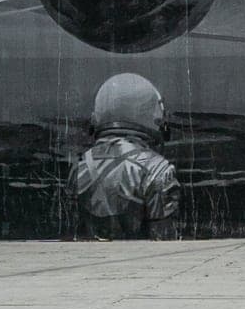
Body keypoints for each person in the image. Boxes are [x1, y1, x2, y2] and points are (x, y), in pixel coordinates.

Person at [72, 72, 180, 239]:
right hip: (138, 263)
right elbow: (164, 241)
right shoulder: (158, 170)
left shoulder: (79, 166)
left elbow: (69, 232)